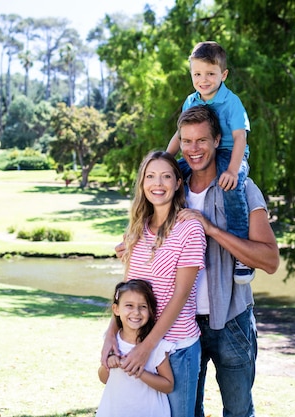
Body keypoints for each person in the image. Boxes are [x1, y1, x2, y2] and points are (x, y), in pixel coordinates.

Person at [175, 105, 280, 417]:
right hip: (182, 324)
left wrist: (210, 229)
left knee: (238, 413)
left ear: (218, 139)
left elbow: (270, 260)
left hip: (233, 322)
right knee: (184, 412)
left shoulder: (243, 189)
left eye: (202, 141)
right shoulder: (172, 190)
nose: (193, 150)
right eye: (186, 141)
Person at [101, 151, 207, 417]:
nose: (157, 184)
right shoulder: (137, 228)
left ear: (178, 182)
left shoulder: (189, 228)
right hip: (138, 345)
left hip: (175, 349)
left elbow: (181, 295)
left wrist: (145, 349)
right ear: (142, 183)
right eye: (150, 176)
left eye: (166, 176)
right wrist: (110, 335)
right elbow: (126, 292)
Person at [166, 41, 254, 285]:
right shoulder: (191, 101)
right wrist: (166, 159)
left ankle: (241, 256)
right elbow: (179, 135)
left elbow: (240, 138)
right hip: (197, 150)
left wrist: (233, 171)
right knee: (168, 178)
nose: (203, 79)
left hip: (229, 151)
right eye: (197, 74)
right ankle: (166, 238)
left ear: (223, 75)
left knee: (232, 187)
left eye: (210, 74)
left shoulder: (232, 102)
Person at [97, 279, 175, 417]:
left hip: (149, 412)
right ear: (116, 309)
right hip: (116, 411)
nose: (136, 312)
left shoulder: (157, 347)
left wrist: (140, 372)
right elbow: (103, 379)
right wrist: (108, 364)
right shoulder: (113, 343)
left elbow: (168, 385)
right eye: (129, 305)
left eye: (143, 306)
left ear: (150, 311)